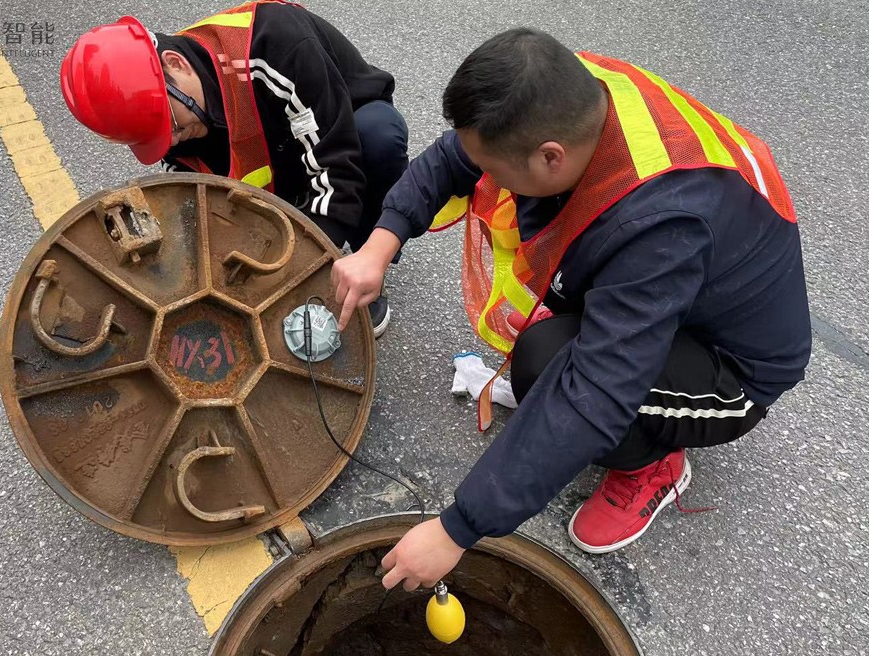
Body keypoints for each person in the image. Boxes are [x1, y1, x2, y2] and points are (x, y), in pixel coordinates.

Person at [331, 29, 811, 589]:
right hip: (683, 289)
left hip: (734, 370)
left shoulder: (659, 226)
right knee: (548, 357)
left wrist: (457, 528)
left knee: (550, 365)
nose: (486, 180)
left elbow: (596, 393)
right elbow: (453, 157)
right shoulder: (569, 91)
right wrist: (379, 245)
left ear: (549, 156)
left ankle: (655, 464)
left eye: (497, 173)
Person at [60, 0, 407, 337]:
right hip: (279, 157)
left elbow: (337, 171)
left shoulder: (276, 45)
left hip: (340, 132)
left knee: (379, 136)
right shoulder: (178, 113)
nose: (175, 140)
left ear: (176, 64)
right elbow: (195, 203)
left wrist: (299, 279)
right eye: (161, 137)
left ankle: (363, 262)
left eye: (172, 125)